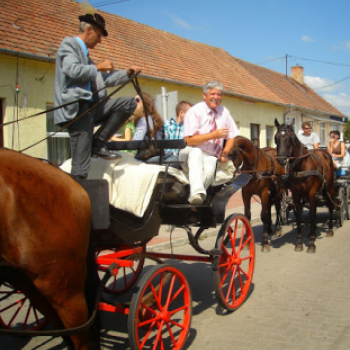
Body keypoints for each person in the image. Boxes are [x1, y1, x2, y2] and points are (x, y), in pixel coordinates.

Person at [54, 10, 141, 180]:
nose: (100, 41)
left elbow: (103, 80)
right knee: (81, 163)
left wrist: (127, 73)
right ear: (89, 30)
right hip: (78, 110)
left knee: (128, 103)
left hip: (91, 107)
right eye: (99, 35)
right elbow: (71, 70)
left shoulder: (86, 59)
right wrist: (98, 67)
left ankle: (98, 143)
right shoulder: (69, 44)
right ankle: (78, 189)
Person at [179, 81, 239, 205]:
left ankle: (196, 200)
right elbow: (188, 140)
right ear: (204, 95)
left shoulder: (224, 112)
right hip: (188, 153)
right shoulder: (195, 111)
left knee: (211, 167)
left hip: (210, 155)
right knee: (196, 152)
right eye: (212, 94)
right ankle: (196, 192)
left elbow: (231, 136)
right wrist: (213, 135)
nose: (216, 97)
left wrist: (225, 152)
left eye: (219, 94)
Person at [147, 100, 192, 168]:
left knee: (167, 165)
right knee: (149, 163)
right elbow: (158, 137)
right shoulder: (166, 124)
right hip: (164, 155)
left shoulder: (189, 127)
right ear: (181, 113)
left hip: (178, 156)